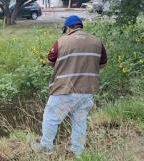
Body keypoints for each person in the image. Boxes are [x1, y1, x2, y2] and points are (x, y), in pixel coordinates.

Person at [31, 15, 107, 157]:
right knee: (79, 120)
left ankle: (46, 147)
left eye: (64, 29)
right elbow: (103, 64)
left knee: (51, 117)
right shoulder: (97, 42)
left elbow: (50, 61)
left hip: (65, 89)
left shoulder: (61, 42)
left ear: (68, 28)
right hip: (87, 90)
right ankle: (77, 151)